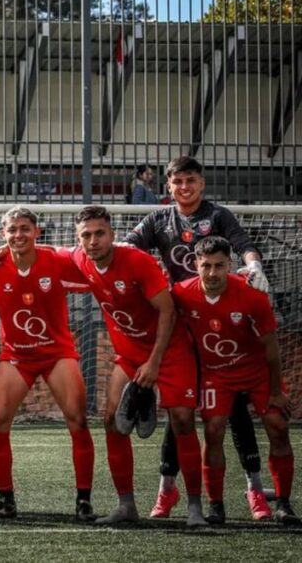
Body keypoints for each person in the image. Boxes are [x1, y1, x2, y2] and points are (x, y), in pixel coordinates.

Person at [124, 155, 273, 520]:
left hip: (220, 321)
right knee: (181, 410)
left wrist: (253, 265)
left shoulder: (217, 215)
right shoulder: (158, 219)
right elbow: (127, 247)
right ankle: (166, 490)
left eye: (191, 180)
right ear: (169, 187)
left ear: (201, 184)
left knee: (234, 408)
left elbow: (243, 243)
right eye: (178, 182)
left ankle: (255, 490)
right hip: (180, 323)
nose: (185, 187)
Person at [0, 206, 96, 521]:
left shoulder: (56, 262)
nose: (18, 234)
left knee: (78, 421)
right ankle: (7, 501)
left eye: (25, 229)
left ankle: (84, 501)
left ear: (37, 233)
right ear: (3, 235)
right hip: (16, 357)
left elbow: (96, 273)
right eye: (12, 230)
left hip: (56, 353)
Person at [65, 206, 206, 527]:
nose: (93, 240)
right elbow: (49, 252)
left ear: (112, 234)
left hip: (170, 351)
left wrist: (154, 363)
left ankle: (196, 507)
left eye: (100, 233)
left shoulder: (137, 262)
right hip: (129, 356)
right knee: (111, 421)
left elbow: (168, 312)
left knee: (183, 421)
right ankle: (126, 505)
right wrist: (5, 249)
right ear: (79, 239)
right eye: (86, 235)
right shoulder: (79, 258)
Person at [173, 236, 298, 526]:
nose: (213, 273)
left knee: (278, 426)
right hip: (216, 374)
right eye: (206, 266)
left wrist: (277, 390)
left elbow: (271, 346)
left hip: (257, 373)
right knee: (214, 431)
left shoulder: (252, 296)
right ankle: (216, 505)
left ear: (231, 264)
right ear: (195, 264)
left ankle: (283, 504)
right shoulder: (181, 293)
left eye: (220, 266)